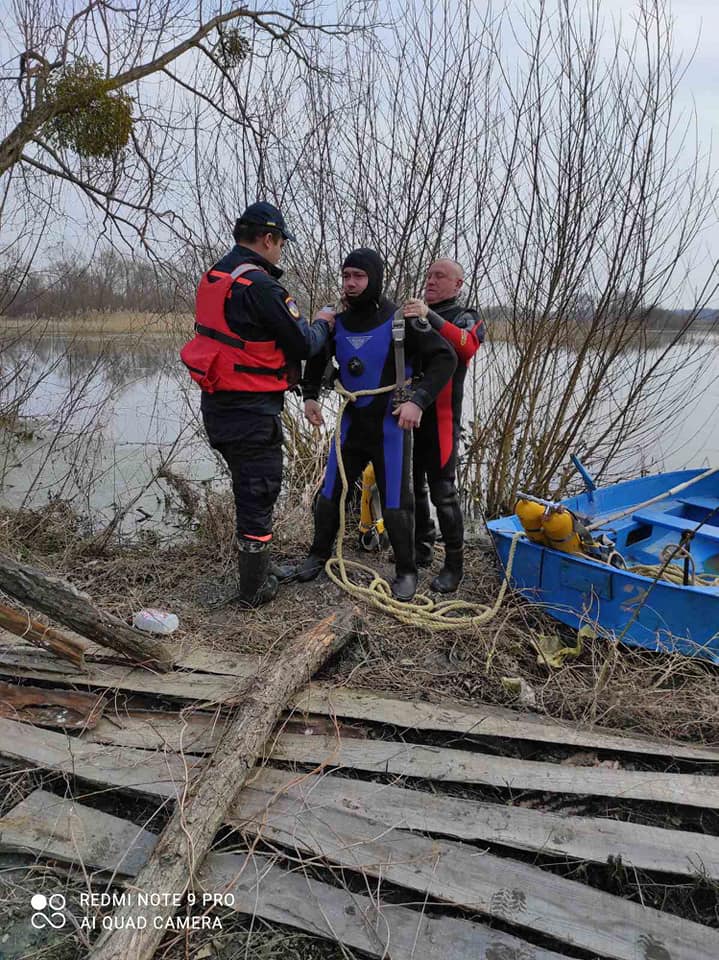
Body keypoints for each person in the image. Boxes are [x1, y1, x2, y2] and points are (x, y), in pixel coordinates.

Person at [181, 201, 334, 607]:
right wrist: (323, 323)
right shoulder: (261, 286)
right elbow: (302, 343)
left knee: (248, 489)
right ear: (268, 238)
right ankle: (253, 589)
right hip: (250, 411)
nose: (281, 250)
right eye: (280, 242)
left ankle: (260, 569)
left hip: (218, 405)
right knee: (259, 491)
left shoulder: (217, 276)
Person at [296, 248, 456, 601]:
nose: (350, 284)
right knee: (328, 494)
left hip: (390, 427)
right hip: (352, 423)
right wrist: (310, 397)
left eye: (359, 277)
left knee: (398, 503)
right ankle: (317, 555)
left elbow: (446, 358)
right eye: (346, 276)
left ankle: (406, 570)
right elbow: (317, 359)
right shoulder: (336, 321)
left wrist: (418, 401)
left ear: (375, 279)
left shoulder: (402, 320)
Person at [402, 259, 485, 592]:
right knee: (413, 486)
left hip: (442, 420)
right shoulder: (413, 314)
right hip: (410, 413)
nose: (431, 281)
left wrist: (429, 316)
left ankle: (454, 564)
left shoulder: (467, 316)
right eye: (429, 275)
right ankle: (422, 547)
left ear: (458, 284)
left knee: (443, 493)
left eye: (440, 276)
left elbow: (466, 347)